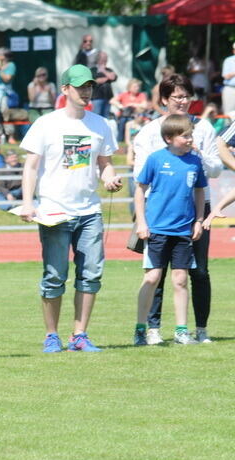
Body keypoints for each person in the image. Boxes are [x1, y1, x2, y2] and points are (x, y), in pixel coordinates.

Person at [18, 64, 121, 353]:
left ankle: (80, 334)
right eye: (80, 86)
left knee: (91, 273)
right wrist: (28, 202)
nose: (86, 91)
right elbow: (31, 166)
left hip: (90, 210)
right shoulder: (46, 123)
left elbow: (104, 163)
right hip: (54, 210)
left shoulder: (101, 124)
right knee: (54, 275)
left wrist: (110, 177)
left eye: (89, 86)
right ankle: (52, 335)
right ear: (65, 89)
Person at [133, 74, 222, 345]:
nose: (183, 101)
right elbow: (140, 176)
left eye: (186, 96)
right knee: (156, 274)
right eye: (176, 97)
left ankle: (200, 329)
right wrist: (143, 217)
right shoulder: (151, 131)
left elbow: (216, 170)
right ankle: (152, 329)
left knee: (198, 272)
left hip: (196, 208)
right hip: (159, 209)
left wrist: (199, 153)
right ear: (163, 100)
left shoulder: (203, 128)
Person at [133, 114, 206, 346]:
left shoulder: (195, 161)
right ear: (169, 138)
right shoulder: (155, 159)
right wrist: (142, 223)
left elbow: (200, 191)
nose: (189, 140)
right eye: (185, 136)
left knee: (180, 279)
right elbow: (139, 190)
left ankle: (181, 331)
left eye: (190, 135)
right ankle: (141, 329)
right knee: (153, 277)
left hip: (183, 230)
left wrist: (199, 220)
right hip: (156, 229)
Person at [221, 42, 235, 115]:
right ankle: (228, 126)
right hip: (231, 89)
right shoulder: (228, 60)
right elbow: (225, 76)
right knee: (229, 113)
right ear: (233, 51)